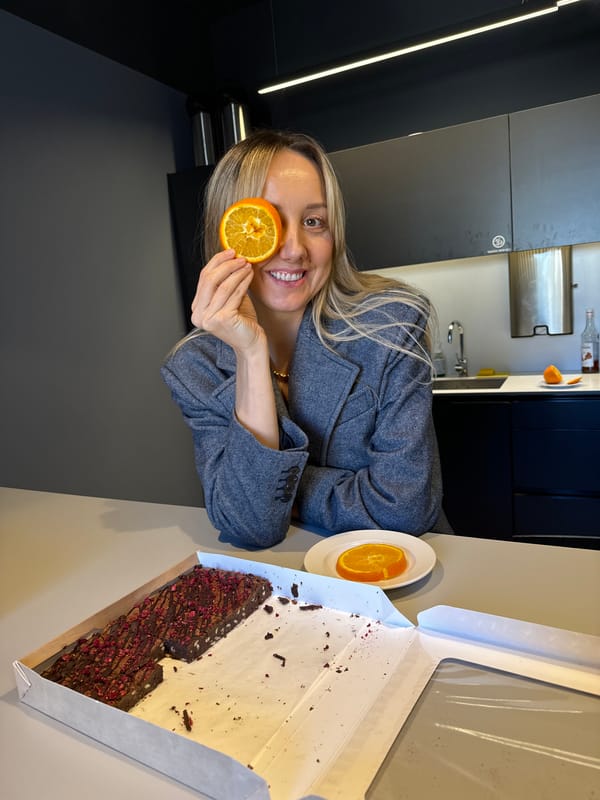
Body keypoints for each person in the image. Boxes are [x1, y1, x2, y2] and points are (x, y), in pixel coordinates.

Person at [161, 129, 450, 547]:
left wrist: (281, 487)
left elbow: (405, 508)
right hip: (281, 583)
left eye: (314, 222)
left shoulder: (392, 324)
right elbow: (249, 526)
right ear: (232, 233)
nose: (295, 249)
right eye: (269, 222)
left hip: (400, 576)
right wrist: (250, 353)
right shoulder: (194, 368)